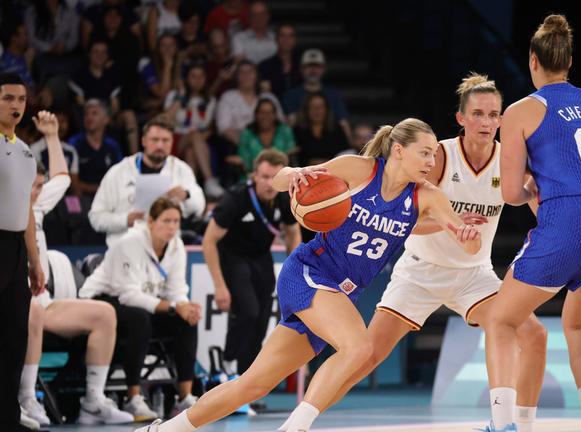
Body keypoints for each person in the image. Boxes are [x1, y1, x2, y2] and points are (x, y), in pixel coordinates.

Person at [135, 118, 481, 432]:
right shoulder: (359, 170)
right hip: (310, 273)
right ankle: (295, 428)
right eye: (424, 154)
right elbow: (280, 179)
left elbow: (463, 240)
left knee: (253, 384)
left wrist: (466, 236)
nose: (431, 163)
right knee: (359, 347)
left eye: (434, 156)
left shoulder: (427, 197)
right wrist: (294, 176)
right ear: (399, 150)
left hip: (341, 293)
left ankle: (161, 431)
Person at [291, 73, 548, 432]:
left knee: (534, 334)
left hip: (474, 274)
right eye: (477, 113)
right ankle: (300, 422)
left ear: (502, 119)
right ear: (461, 118)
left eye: (493, 114)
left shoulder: (510, 160)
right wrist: (450, 223)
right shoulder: (437, 156)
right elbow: (400, 220)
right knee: (366, 358)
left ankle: (517, 424)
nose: (486, 122)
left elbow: (538, 199)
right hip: (420, 271)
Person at [484, 15, 581, 432]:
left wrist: (532, 184)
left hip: (573, 219)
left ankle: (503, 424)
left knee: (501, 319)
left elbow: (510, 193)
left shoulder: (518, 112)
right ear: (568, 61)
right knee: (580, 321)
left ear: (533, 60)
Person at [21, 110, 133, 426]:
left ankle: (93, 401)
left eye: (40, 186)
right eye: (33, 186)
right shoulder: (8, 209)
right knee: (33, 311)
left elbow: (63, 178)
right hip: (15, 305)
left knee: (103, 314)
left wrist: (53, 137)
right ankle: (27, 397)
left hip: (42, 305)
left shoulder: (38, 203)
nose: (38, 192)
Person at [80, 197, 203, 422]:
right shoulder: (129, 243)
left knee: (186, 319)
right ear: (151, 221)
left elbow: (176, 289)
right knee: (139, 319)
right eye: (166, 221)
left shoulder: (176, 246)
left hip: (143, 304)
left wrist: (184, 306)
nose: (172, 227)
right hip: (101, 302)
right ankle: (133, 398)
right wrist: (175, 307)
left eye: (176, 221)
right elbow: (129, 294)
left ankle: (185, 397)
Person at [203, 149, 301, 378]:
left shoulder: (285, 196)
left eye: (275, 178)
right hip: (233, 256)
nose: (269, 183)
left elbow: (293, 232)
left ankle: (247, 379)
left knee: (262, 320)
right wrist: (219, 286)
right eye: (264, 177)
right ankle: (226, 364)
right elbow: (209, 241)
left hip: (261, 257)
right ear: (254, 176)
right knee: (248, 311)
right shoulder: (235, 198)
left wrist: (293, 267)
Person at [0, 72, 46, 432]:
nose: (16, 106)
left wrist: (33, 260)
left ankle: (8, 418)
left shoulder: (26, 151)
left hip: (15, 250)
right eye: (8, 99)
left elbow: (25, 209)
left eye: (20, 99)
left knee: (14, 337)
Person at [89, 116, 205, 247]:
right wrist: (126, 219)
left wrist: (186, 195)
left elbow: (199, 207)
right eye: (155, 140)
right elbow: (96, 217)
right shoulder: (119, 172)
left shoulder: (181, 170)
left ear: (172, 142)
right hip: (124, 250)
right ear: (143, 141)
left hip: (167, 252)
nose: (160, 145)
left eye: (165, 140)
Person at [163, 63, 223, 198]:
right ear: (186, 79)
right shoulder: (175, 95)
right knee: (194, 134)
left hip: (200, 143)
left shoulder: (210, 100)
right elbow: (165, 120)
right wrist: (181, 96)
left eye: (201, 76)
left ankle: (191, 191)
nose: (197, 80)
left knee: (191, 152)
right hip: (176, 139)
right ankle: (209, 180)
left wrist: (203, 135)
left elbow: (210, 127)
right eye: (193, 76)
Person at [282, 48, 352, 142]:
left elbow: (343, 123)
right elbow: (286, 127)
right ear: (301, 69)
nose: (313, 70)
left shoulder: (333, 95)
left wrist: (350, 143)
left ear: (324, 69)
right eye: (308, 66)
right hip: (300, 143)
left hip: (329, 141)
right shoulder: (291, 96)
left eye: (317, 66)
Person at [69, 99, 123, 196]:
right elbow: (71, 182)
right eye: (86, 114)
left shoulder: (113, 146)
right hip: (81, 197)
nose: (89, 117)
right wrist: (98, 189)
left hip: (108, 196)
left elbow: (120, 175)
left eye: (94, 114)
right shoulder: (74, 143)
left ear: (106, 119)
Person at [237, 98, 295, 173]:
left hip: (282, 177)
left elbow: (291, 157)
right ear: (256, 114)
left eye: (269, 112)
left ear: (275, 115)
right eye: (262, 112)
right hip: (254, 177)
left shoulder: (285, 131)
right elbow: (245, 162)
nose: (266, 116)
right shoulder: (247, 134)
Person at [258, 24, 302, 99]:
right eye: (282, 36)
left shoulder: (303, 65)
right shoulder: (264, 66)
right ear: (276, 39)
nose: (286, 39)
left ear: (295, 40)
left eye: (290, 36)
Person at [230, 1, 277, 65]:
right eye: (255, 15)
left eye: (262, 14)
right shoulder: (239, 39)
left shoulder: (276, 38)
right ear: (249, 17)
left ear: (268, 16)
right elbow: (240, 65)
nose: (259, 18)